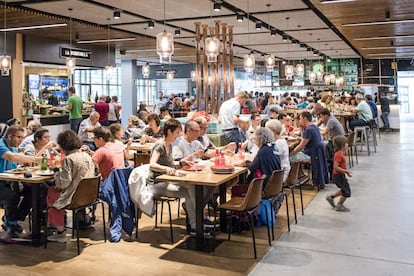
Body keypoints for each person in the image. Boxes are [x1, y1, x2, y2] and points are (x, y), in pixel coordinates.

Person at [46, 130, 96, 243]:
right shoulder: (86, 156)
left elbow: (63, 183)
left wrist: (56, 173)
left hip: (74, 196)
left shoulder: (69, 159)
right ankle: (58, 224)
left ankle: (60, 231)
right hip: (88, 195)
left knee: (51, 195)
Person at [147, 119, 194, 232]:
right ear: (169, 131)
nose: (179, 135)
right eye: (177, 132)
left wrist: (181, 162)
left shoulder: (170, 145)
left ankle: (195, 223)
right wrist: (167, 169)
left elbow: (170, 163)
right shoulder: (160, 145)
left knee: (192, 189)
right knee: (190, 193)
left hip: (166, 181)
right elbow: (152, 164)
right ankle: (194, 225)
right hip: (156, 184)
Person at [0, 126, 41, 238]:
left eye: (22, 137)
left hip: (9, 181)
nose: (21, 140)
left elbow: (17, 162)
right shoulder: (1, 145)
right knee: (12, 196)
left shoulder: (13, 147)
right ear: (9, 136)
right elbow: (11, 157)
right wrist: (35, 160)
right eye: (19, 137)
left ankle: (13, 218)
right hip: (2, 182)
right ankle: (11, 222)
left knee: (33, 191)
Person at [290, 112, 329, 190]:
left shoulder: (309, 130)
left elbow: (301, 146)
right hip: (316, 152)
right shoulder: (314, 127)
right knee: (295, 155)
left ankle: (297, 177)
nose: (299, 120)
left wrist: (291, 153)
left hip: (312, 154)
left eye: (300, 119)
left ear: (305, 119)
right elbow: (306, 140)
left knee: (290, 158)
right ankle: (301, 175)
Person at [325, 136, 352, 212]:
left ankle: (331, 197)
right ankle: (339, 205)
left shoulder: (340, 153)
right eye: (346, 143)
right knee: (346, 191)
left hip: (340, 175)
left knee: (344, 189)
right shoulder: (338, 155)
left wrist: (345, 172)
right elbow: (335, 167)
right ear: (342, 145)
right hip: (338, 176)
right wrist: (346, 171)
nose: (348, 144)